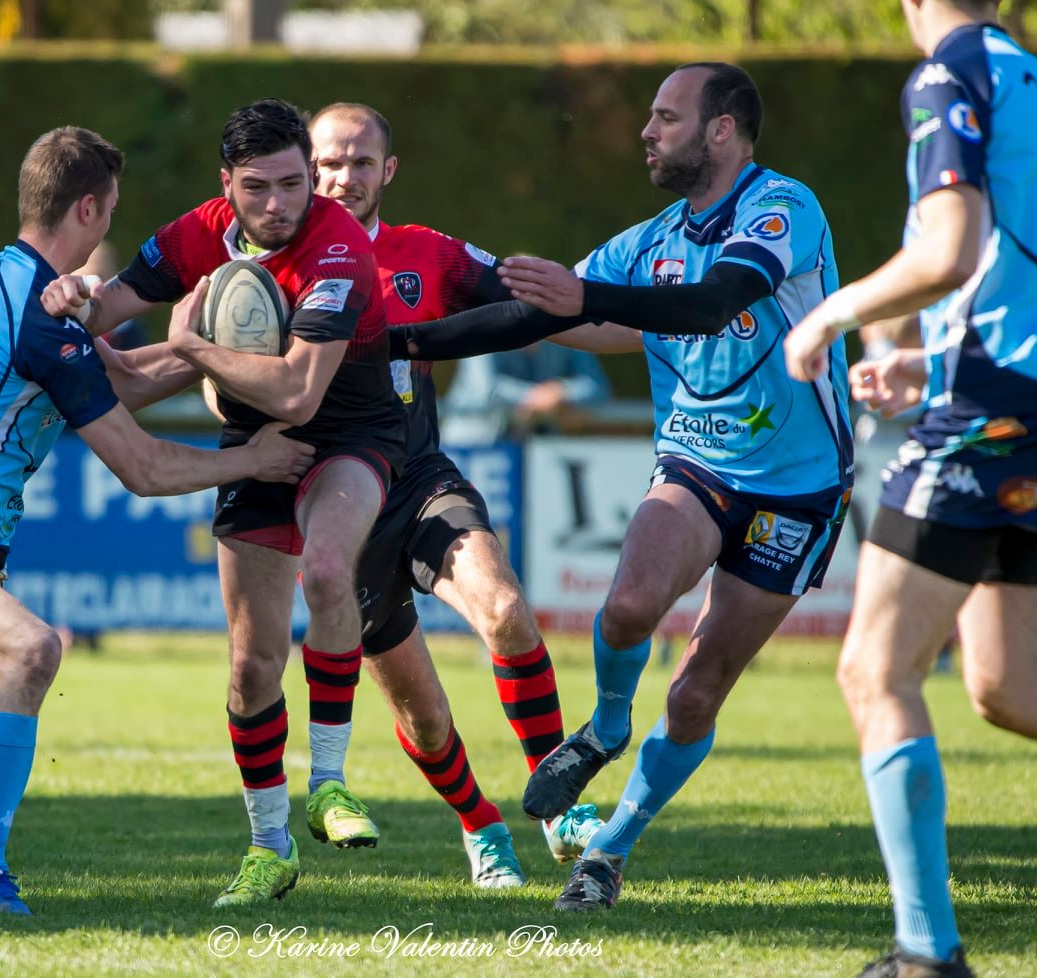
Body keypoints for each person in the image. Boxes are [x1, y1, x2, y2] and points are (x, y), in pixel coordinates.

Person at [784, 4, 1037, 975]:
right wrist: (934, 368)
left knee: (872, 673)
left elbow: (946, 254)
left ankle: (924, 954)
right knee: (1007, 685)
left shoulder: (943, 76)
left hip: (987, 418)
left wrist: (827, 319)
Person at [392, 62, 852, 912]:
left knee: (696, 690)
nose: (647, 130)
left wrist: (589, 295)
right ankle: (604, 726)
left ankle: (607, 854)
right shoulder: (651, 239)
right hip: (698, 464)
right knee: (630, 604)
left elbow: (717, 301)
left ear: (721, 130)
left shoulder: (781, 207)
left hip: (801, 487)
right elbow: (535, 316)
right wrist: (398, 342)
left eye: (666, 117)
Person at [0, 126, 314, 917]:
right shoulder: (43, 316)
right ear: (88, 209)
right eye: (112, 212)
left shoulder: (1, 274)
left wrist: (199, 349)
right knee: (33, 650)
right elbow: (145, 467)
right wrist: (252, 460)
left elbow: (115, 384)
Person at [41, 98, 407, 908]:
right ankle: (269, 848)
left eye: (292, 184)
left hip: (348, 435)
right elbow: (105, 319)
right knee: (248, 667)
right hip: (253, 447)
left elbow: (302, 395)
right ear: (226, 186)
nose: (278, 205)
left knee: (326, 570)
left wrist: (192, 345)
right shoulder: (196, 232)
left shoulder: (340, 247)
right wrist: (72, 299)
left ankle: (333, 785)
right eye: (257, 188)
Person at [307, 101, 605, 888]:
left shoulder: (425, 255)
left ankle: (557, 796)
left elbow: (525, 305)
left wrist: (628, 315)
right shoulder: (269, 270)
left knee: (505, 609)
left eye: (361, 162)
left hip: (417, 477)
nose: (344, 177)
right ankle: (480, 826)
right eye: (330, 162)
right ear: (307, 168)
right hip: (340, 514)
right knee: (425, 716)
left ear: (388, 171)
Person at [440, 341, 612, 446]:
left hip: (537, 451)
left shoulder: (565, 328)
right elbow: (486, 390)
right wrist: (538, 397)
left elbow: (598, 388)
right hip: (474, 450)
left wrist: (561, 392)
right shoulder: (480, 324)